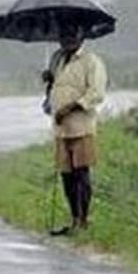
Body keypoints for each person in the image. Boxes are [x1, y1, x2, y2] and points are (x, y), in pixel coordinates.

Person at [40, 24, 107, 235]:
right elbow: (56, 89)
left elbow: (96, 93)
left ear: (82, 36)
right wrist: (49, 80)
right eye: (64, 35)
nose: (67, 38)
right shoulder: (58, 60)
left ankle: (84, 220)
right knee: (66, 175)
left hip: (82, 127)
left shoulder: (91, 61)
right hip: (61, 128)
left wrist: (70, 107)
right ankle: (74, 218)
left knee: (81, 173)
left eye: (72, 34)